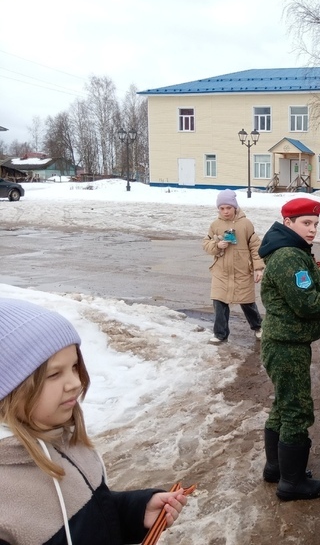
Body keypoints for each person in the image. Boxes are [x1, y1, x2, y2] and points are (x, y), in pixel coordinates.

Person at [0, 298, 189, 545]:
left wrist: (136, 511)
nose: (76, 383)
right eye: (55, 374)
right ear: (9, 390)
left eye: (75, 366)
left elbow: (91, 516)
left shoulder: (67, 440)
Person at [258, 197, 320, 501]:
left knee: (283, 407)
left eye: (315, 224)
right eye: (306, 223)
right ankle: (292, 483)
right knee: (296, 411)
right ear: (288, 223)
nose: (312, 230)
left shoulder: (293, 251)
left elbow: (308, 290)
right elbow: (308, 303)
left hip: (285, 342)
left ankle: (277, 470)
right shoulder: (288, 257)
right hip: (287, 346)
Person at [202, 189, 265, 344]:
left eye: (228, 208)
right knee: (219, 301)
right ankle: (220, 334)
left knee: (247, 302)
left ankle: (258, 327)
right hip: (221, 272)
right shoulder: (215, 225)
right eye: (222, 208)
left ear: (235, 207)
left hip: (242, 271)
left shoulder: (246, 224)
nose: (225, 211)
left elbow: (255, 247)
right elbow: (206, 244)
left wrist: (258, 268)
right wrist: (217, 245)